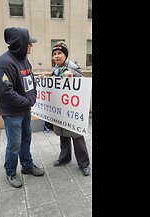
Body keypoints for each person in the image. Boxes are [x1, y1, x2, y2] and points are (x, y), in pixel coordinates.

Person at [0, 27, 45, 188]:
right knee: (14, 144)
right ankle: (10, 172)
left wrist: (33, 96)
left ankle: (27, 166)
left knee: (26, 139)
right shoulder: (4, 63)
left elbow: (30, 79)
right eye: (30, 43)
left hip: (25, 110)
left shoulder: (24, 59)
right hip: (12, 113)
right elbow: (4, 92)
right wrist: (27, 102)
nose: (32, 46)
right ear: (21, 44)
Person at [51, 41, 91, 176]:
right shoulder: (55, 70)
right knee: (63, 135)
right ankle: (64, 157)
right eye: (55, 54)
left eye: (60, 53)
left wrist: (72, 77)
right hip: (61, 109)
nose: (57, 56)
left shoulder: (74, 69)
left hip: (72, 110)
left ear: (65, 55)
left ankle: (84, 163)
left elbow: (82, 85)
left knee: (77, 136)